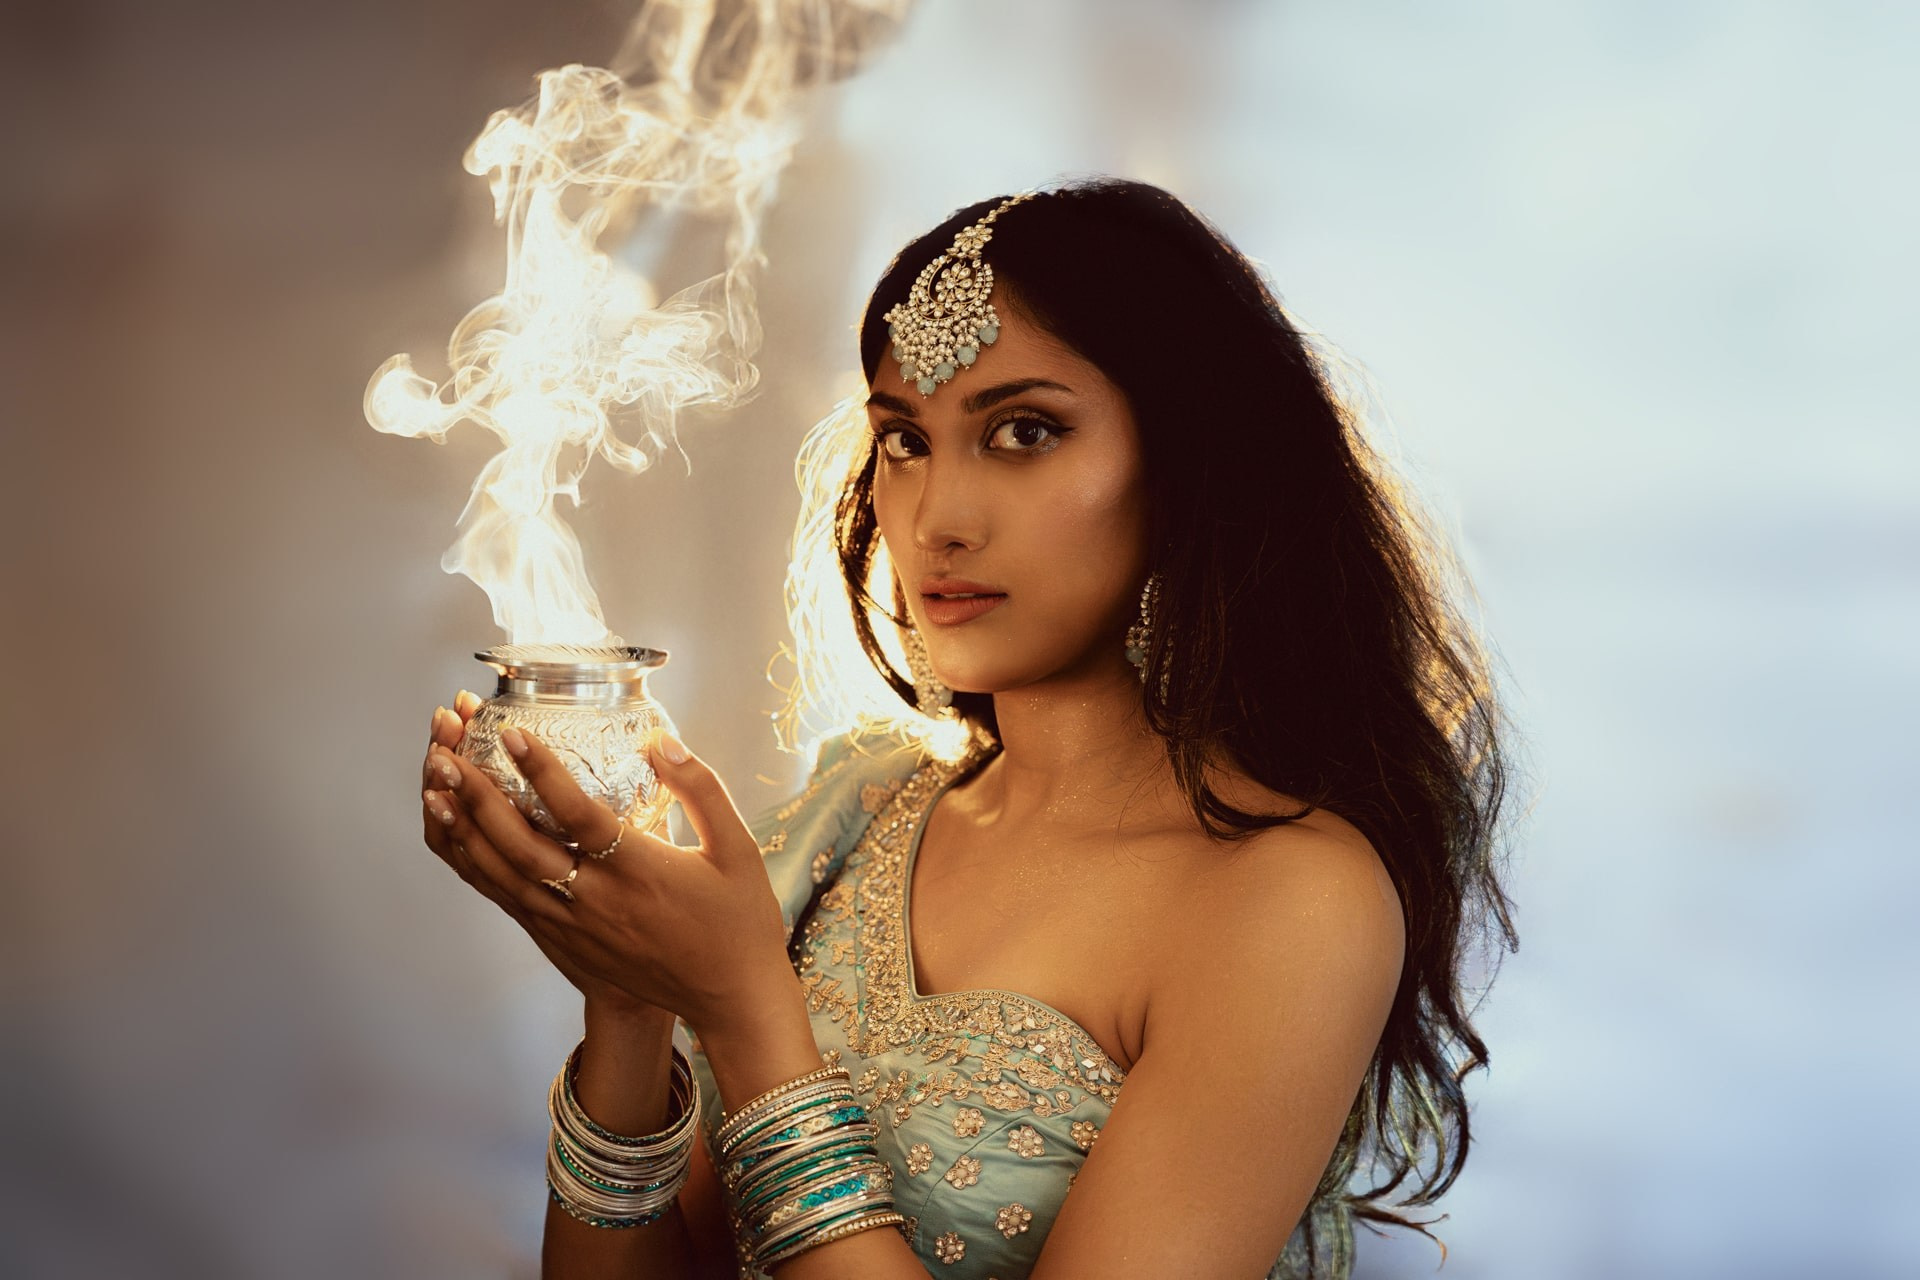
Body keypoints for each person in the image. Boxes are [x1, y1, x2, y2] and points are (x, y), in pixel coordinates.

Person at [418, 177, 1518, 1279]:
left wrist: (748, 1009)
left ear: (1189, 470)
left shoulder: (1290, 896)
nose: (938, 518)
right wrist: (633, 1006)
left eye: (1024, 431)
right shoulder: (861, 807)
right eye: (904, 441)